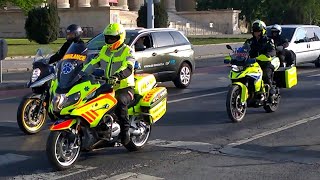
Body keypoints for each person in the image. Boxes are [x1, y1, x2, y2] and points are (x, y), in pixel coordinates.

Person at [81, 23, 135, 145]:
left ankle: (125, 132)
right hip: (107, 86)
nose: (110, 40)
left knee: (120, 102)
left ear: (120, 37)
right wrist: (80, 73)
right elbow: (93, 63)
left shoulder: (128, 51)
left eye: (112, 38)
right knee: (91, 102)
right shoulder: (105, 50)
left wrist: (117, 76)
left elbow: (128, 67)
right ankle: (97, 132)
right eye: (108, 37)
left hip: (124, 87)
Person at [244, 20, 277, 100]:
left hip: (265, 62)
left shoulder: (268, 41)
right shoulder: (249, 41)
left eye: (258, 31)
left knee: (266, 74)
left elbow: (273, 50)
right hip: (252, 63)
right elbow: (243, 50)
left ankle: (271, 93)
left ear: (263, 31)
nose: (256, 33)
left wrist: (268, 55)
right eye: (255, 31)